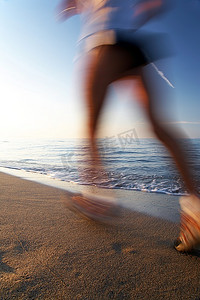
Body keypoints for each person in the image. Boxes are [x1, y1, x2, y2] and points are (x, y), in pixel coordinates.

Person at [55, 0, 200, 252]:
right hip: (132, 45)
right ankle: (195, 206)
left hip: (104, 41)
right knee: (158, 125)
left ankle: (97, 198)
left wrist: (70, 7)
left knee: (91, 123)